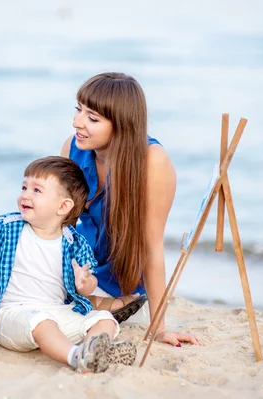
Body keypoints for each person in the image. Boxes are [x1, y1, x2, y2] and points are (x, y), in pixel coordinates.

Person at [0, 156, 137, 373]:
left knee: (104, 319)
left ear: (62, 206)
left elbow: (89, 282)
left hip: (56, 311)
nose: (25, 194)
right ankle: (76, 357)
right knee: (43, 323)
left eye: (36, 190)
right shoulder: (10, 227)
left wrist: (85, 283)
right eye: (24, 187)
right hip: (13, 315)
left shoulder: (74, 242)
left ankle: (93, 350)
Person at [61, 72, 202, 347]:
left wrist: (159, 327)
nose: (78, 122)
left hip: (117, 278)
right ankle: (103, 305)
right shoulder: (73, 147)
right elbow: (60, 224)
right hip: (78, 269)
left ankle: (120, 304)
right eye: (79, 110)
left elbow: (152, 247)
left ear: (121, 124)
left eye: (92, 118)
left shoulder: (152, 162)